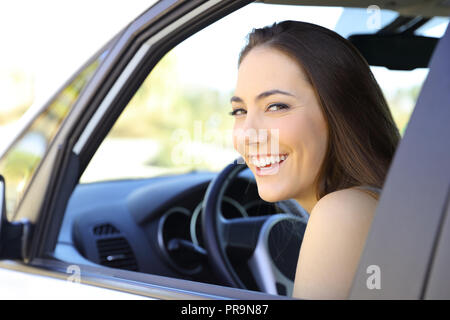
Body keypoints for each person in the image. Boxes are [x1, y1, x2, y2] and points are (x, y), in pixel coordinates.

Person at [230, 21, 400, 299]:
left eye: (276, 106)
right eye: (239, 111)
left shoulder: (342, 211)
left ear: (338, 112)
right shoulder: (378, 201)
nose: (248, 134)